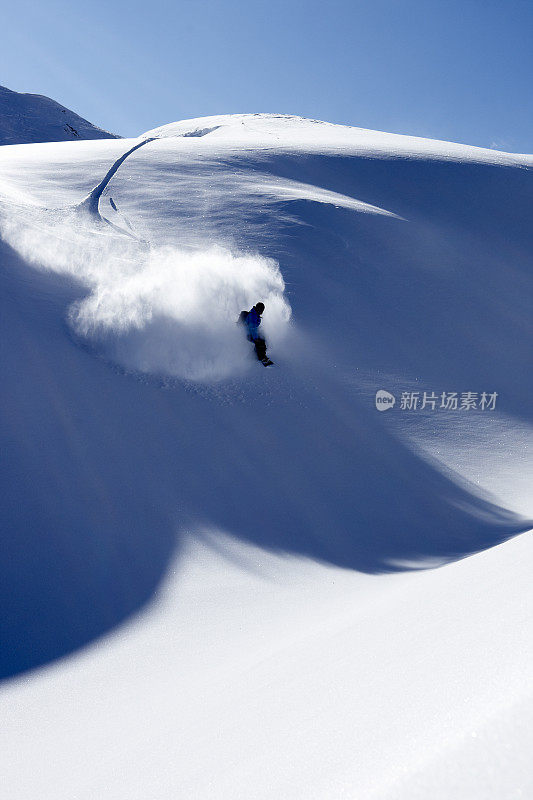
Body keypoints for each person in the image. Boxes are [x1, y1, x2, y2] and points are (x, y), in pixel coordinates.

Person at [240, 302, 273, 366]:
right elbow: (252, 328)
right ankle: (261, 357)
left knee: (262, 339)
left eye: (263, 310)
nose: (262, 312)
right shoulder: (253, 316)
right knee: (260, 342)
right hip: (248, 334)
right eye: (261, 310)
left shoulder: (255, 314)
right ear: (258, 308)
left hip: (251, 332)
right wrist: (256, 339)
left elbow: (254, 328)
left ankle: (256, 353)